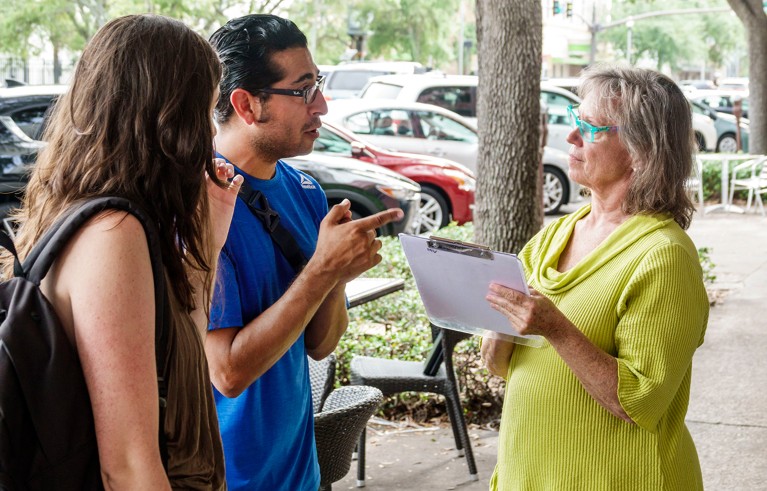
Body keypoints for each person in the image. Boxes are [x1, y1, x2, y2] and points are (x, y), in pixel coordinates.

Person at [1, 14, 240, 489]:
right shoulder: (113, 232)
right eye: (205, 112)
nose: (211, 136)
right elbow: (127, 467)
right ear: (168, 119)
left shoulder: (93, 216)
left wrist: (207, 245)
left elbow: (179, 365)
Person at [481, 64, 709, 490]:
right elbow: (499, 368)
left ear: (643, 151)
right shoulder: (554, 236)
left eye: (591, 127)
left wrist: (555, 329)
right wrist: (499, 329)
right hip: (530, 475)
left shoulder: (665, 257)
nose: (571, 137)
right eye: (575, 120)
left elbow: (641, 400)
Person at [206, 14, 403, 490]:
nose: (323, 106)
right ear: (246, 104)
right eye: (303, 90)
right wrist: (322, 270)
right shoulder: (205, 203)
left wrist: (335, 274)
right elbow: (228, 373)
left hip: (300, 470)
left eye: (319, 84)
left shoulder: (306, 191)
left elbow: (321, 343)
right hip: (228, 476)